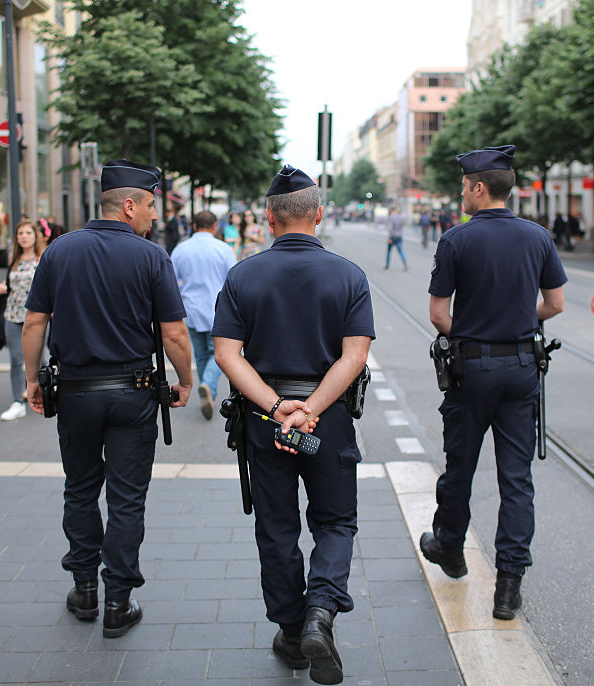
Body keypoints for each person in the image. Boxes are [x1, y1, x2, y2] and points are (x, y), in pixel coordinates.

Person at [213, 165, 375, 685]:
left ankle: (289, 628)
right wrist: (313, 408)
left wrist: (275, 405)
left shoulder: (243, 275)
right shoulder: (349, 275)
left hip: (266, 423)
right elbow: (354, 357)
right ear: (319, 214)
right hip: (329, 422)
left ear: (269, 218)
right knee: (334, 521)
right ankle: (321, 613)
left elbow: (227, 354)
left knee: (277, 526)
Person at [22, 159, 193, 639]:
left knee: (79, 489)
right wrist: (185, 378)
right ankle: (118, 600)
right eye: (152, 207)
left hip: (75, 394)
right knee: (126, 499)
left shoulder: (59, 251)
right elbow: (174, 332)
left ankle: (84, 590)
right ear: (129, 205)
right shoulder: (151, 256)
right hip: (133, 395)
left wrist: (33, 379)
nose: (155, 217)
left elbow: (35, 321)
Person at [420, 145, 566, 622]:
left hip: (473, 369)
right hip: (523, 368)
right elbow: (556, 304)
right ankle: (508, 588)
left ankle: (450, 545)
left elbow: (439, 315)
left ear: (479, 188)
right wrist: (519, 320)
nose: (461, 193)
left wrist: (472, 333)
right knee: (516, 479)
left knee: (460, 467)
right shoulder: (539, 237)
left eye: (464, 186)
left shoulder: (455, 241)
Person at [171, 210, 237, 420]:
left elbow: (172, 281)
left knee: (200, 354)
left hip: (191, 310)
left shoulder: (180, 249)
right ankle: (208, 385)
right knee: (218, 356)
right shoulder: (223, 249)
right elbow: (233, 280)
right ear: (214, 226)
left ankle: (205, 387)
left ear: (194, 225)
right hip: (217, 311)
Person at [0, 220, 46, 421]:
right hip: (12, 314)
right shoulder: (14, 259)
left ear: (35, 236)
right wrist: (4, 286)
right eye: (20, 233)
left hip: (37, 315)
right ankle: (18, 402)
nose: (24, 236)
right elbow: (11, 281)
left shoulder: (43, 259)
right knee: (16, 359)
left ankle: (46, 392)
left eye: (28, 233)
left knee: (42, 357)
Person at [385, 206, 408, 270]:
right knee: (400, 251)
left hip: (393, 236)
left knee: (389, 251)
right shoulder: (400, 217)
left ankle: (387, 265)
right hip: (399, 236)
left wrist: (390, 237)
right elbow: (402, 225)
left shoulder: (391, 217)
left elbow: (390, 228)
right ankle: (405, 263)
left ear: (391, 211)